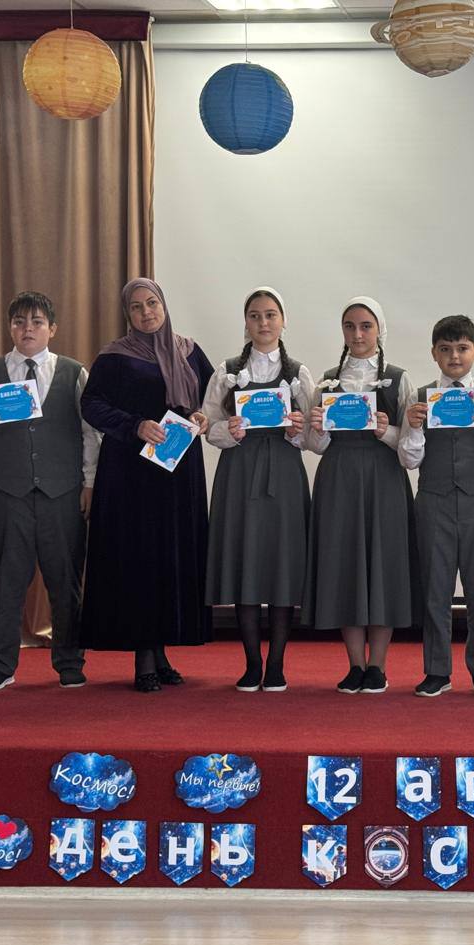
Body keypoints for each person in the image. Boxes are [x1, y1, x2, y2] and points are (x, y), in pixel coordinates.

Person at [79, 278, 213, 692]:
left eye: (152, 303)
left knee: (170, 556)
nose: (146, 312)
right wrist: (134, 425)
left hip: (178, 469)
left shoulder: (190, 351)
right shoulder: (115, 356)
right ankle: (144, 658)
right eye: (136, 307)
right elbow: (91, 405)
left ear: (164, 305)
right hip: (131, 475)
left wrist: (203, 416)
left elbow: (213, 397)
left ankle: (162, 652)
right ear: (128, 314)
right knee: (140, 558)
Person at [0, 291, 99, 690]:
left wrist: (89, 483)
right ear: (10, 328)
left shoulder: (74, 373)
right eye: (19, 322)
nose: (27, 329)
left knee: (65, 582)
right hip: (8, 494)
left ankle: (69, 662)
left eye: (37, 322)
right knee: (7, 582)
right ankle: (0, 666)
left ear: (52, 329)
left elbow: (91, 434)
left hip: (63, 493)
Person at [203, 287, 315, 693]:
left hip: (283, 474)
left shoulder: (299, 373)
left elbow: (315, 434)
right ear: (246, 322)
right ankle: (252, 663)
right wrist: (227, 430)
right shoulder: (227, 370)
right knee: (245, 562)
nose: (263, 322)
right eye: (255, 315)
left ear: (283, 321)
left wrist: (297, 430)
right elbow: (208, 424)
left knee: (281, 565)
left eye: (270, 315)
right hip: (240, 473)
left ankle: (277, 665)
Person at [304, 296, 418, 694]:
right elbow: (315, 446)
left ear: (379, 329)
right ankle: (355, 664)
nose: (357, 334)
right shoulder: (327, 379)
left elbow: (412, 448)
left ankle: (378, 666)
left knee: (383, 567)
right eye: (350, 326)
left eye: (365, 326)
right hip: (339, 479)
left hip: (384, 479)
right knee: (345, 565)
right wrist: (318, 427)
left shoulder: (400, 379)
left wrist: (386, 431)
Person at [399, 314, 474, 697]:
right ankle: (437, 670)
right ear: (434, 353)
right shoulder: (419, 397)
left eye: (462, 348)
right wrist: (415, 428)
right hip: (434, 501)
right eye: (445, 349)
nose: (455, 356)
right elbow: (409, 460)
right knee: (436, 590)